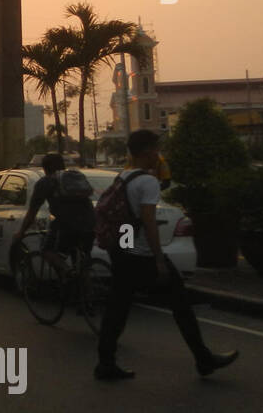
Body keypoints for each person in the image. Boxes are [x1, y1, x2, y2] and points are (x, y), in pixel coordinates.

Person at [95, 129, 239, 381]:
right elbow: (149, 222)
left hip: (122, 252)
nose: (158, 155)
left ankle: (105, 363)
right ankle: (203, 359)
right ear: (148, 151)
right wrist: (159, 259)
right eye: (156, 150)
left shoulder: (124, 176)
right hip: (141, 255)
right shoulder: (148, 182)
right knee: (180, 303)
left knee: (117, 307)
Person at [14, 153, 94, 275]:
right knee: (83, 258)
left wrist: (21, 233)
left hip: (67, 224)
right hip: (90, 221)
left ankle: (68, 273)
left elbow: (32, 212)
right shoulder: (76, 177)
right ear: (63, 165)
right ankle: (86, 286)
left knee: (47, 251)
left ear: (44, 168)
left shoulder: (45, 182)